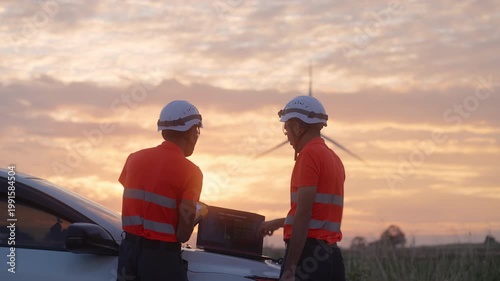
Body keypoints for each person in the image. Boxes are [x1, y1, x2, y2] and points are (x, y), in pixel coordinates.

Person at [259, 96, 346, 281]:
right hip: (331, 258)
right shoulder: (334, 158)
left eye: (286, 128)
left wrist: (290, 268)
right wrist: (280, 222)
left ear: (298, 127)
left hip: (309, 257)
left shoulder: (309, 155)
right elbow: (319, 213)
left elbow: (304, 214)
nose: (287, 135)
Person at [116, 100, 203, 281]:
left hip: (129, 255)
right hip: (161, 261)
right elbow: (183, 234)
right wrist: (199, 213)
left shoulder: (133, 159)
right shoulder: (191, 172)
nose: (197, 136)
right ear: (188, 132)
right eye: (197, 130)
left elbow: (144, 201)